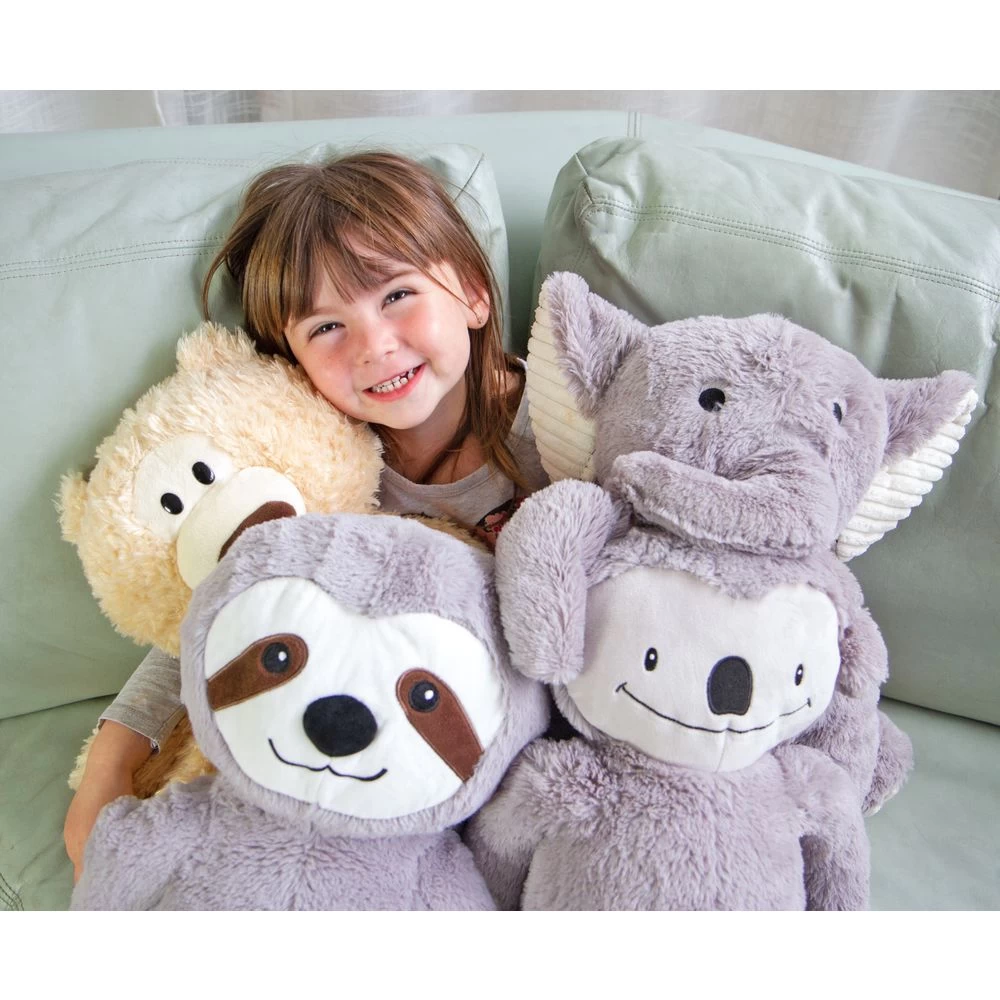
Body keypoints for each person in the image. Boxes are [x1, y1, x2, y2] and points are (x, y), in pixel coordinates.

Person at [63, 151, 552, 882]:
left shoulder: (561, 430)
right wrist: (111, 761)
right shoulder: (315, 462)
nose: (374, 345)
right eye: (326, 327)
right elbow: (227, 603)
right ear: (289, 357)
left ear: (474, 294)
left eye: (397, 294)